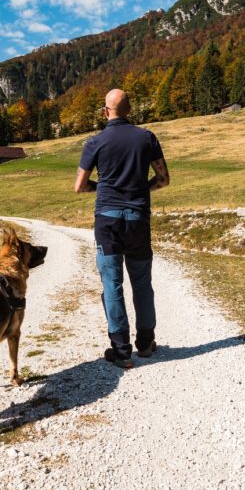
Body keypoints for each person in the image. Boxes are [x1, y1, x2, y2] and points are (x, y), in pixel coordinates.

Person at [74, 88, 170, 368]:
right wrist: (142, 189)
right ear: (130, 110)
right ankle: (146, 343)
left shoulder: (95, 142)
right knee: (142, 283)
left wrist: (103, 188)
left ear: (106, 111)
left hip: (107, 220)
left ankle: (121, 349)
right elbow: (163, 179)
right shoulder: (147, 138)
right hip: (138, 218)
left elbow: (79, 186)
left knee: (112, 283)